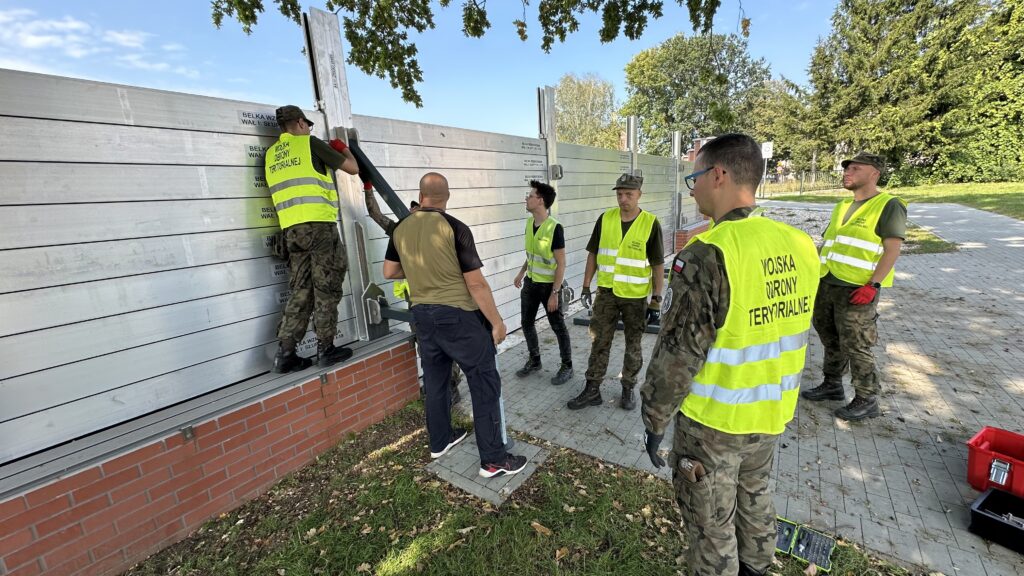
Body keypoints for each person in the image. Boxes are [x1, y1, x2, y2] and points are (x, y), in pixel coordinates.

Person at [640, 133, 820, 576]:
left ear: (718, 175)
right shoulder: (800, 244)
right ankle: (756, 568)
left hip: (713, 423)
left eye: (693, 177)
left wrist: (654, 419)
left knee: (709, 524)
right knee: (755, 500)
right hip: (771, 413)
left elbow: (677, 355)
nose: (692, 188)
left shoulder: (708, 253)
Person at [383, 172, 528, 478]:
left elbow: (390, 271)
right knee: (484, 382)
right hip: (458, 317)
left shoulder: (400, 228)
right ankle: (493, 460)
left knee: (435, 382)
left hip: (422, 316)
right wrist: (498, 322)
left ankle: (440, 441)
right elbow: (475, 284)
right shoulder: (455, 227)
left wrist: (422, 274)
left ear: (420, 195)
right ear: (446, 196)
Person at [801, 152, 907, 421]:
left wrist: (873, 284)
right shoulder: (841, 207)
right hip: (828, 282)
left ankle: (866, 397)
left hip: (857, 288)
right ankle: (833, 384)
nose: (847, 173)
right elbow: (830, 244)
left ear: (874, 174)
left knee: (856, 344)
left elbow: (892, 250)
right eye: (846, 169)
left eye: (855, 169)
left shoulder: (889, 205)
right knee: (829, 336)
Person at [265, 105, 359, 373]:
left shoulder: (272, 154)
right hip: (319, 227)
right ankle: (326, 348)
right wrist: (342, 147)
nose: (308, 128)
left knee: (301, 289)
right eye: (306, 124)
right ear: (299, 123)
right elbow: (352, 168)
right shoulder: (310, 143)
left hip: (291, 231)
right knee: (326, 285)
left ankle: (285, 353)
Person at [568, 173, 664, 411]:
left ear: (639, 195)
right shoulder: (605, 219)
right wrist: (585, 286)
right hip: (607, 294)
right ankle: (592, 389)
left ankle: (628, 388)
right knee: (599, 341)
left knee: (634, 344)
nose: (623, 199)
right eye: (619, 194)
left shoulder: (650, 223)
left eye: (628, 194)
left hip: (635, 296)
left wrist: (656, 300)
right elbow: (593, 253)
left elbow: (658, 264)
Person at [362, 182, 464, 403]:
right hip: (416, 303)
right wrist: (369, 186)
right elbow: (375, 214)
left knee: (446, 346)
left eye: (416, 208)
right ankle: (437, 387)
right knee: (426, 346)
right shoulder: (402, 230)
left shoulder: (439, 229)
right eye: (411, 209)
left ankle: (452, 386)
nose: (413, 212)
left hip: (440, 299)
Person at [512, 180, 574, 385]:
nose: (526, 198)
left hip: (549, 287)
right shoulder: (529, 223)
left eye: (530, 195)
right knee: (526, 323)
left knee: (558, 326)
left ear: (541, 201)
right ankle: (535, 360)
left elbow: (561, 263)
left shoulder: (555, 228)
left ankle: (567, 366)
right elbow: (532, 254)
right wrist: (521, 273)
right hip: (530, 283)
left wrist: (555, 293)